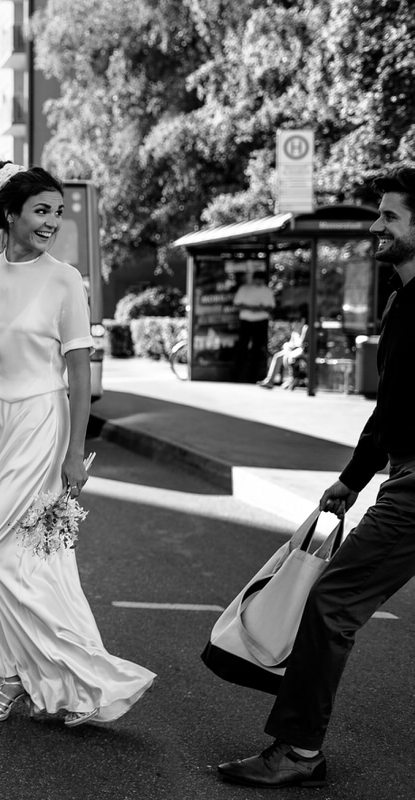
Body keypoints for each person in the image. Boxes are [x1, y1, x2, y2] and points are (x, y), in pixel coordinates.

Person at [0, 161, 155, 728]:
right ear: (10, 214)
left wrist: (73, 451)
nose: (52, 221)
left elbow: (78, 371)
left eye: (58, 213)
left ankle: (81, 677)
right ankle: (24, 679)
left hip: (42, 423)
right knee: (20, 562)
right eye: (41, 211)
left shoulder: (65, 279)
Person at [218, 166, 415, 788]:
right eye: (378, 214)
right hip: (402, 470)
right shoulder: (400, 297)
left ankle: (298, 752)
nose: (377, 226)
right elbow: (391, 405)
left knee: (331, 604)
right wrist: (352, 480)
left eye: (391, 217)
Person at [233, 272, 275, 381]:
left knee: (257, 349)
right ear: (253, 279)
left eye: (261, 280)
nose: (259, 282)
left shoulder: (267, 291)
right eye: (257, 279)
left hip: (261, 322)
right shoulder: (244, 289)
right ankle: (237, 375)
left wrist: (260, 309)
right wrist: (249, 308)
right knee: (242, 347)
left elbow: (271, 307)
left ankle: (253, 376)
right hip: (246, 321)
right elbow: (237, 305)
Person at [258, 322, 308, 390]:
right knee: (278, 356)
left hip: (301, 351)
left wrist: (291, 346)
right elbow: (291, 342)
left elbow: (302, 343)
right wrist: (287, 346)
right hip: (292, 350)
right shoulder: (294, 330)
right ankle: (270, 380)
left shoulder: (306, 327)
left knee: (288, 357)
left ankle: (292, 379)